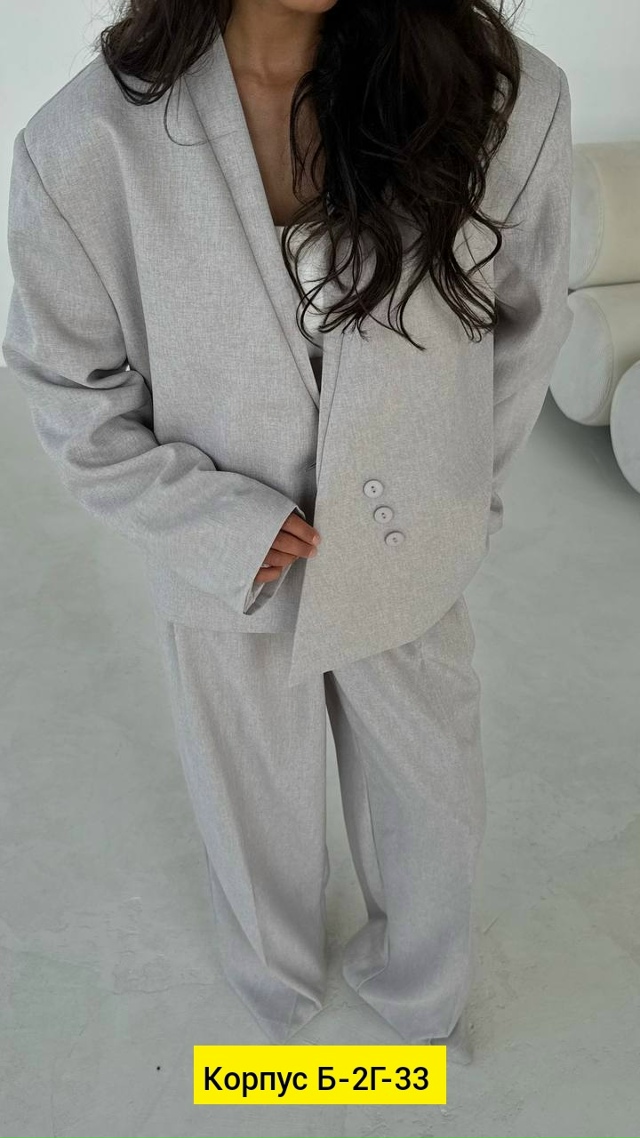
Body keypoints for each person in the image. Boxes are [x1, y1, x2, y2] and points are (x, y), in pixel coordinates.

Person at [2, 0, 574, 1063]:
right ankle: (275, 1016)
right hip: (227, 566)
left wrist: (456, 501)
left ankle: (420, 1012)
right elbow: (66, 385)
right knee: (249, 797)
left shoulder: (502, 99)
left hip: (408, 550)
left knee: (431, 799)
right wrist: (204, 523)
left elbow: (528, 328)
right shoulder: (84, 143)